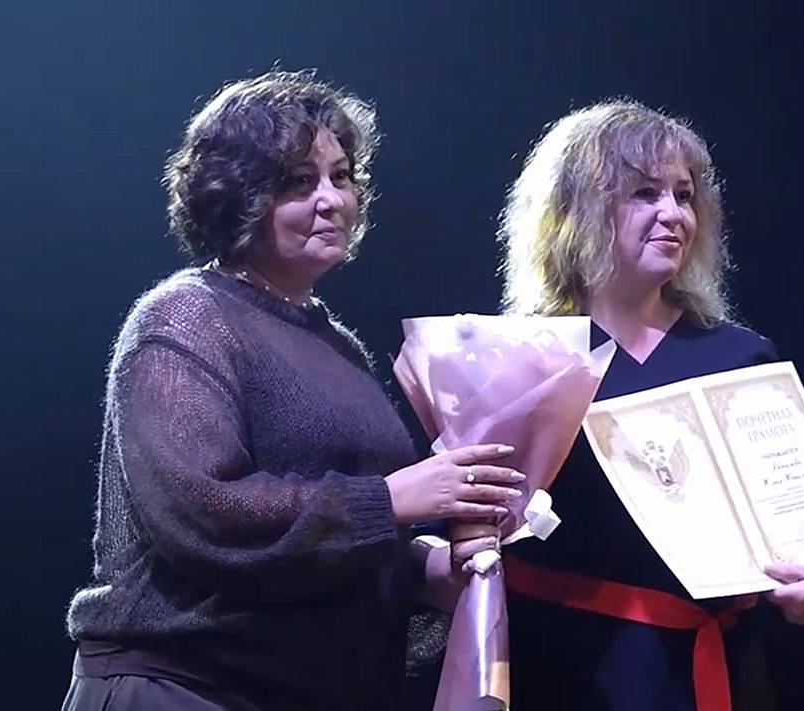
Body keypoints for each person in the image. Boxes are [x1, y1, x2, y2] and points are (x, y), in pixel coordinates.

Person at [60, 71, 518, 711]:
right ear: (235, 195)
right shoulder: (187, 317)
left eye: (342, 176)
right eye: (301, 181)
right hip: (187, 687)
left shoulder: (338, 346)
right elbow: (204, 515)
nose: (332, 200)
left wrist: (430, 571)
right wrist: (390, 499)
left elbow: (337, 545)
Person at [487, 100, 804, 711]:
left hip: (713, 669)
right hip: (565, 671)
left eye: (684, 195)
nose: (673, 213)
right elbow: (458, 528)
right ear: (576, 209)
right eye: (644, 193)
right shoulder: (521, 359)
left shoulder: (740, 355)